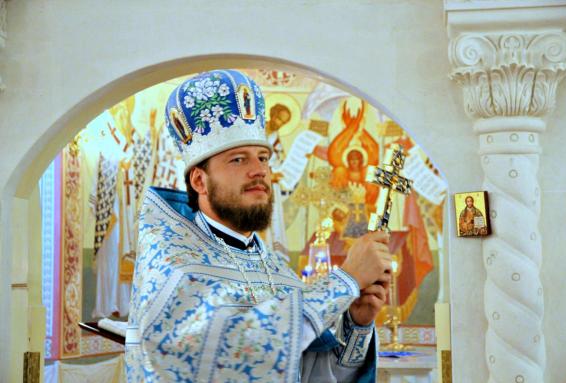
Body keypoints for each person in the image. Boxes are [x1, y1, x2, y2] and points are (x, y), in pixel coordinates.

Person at [125, 69, 392, 382]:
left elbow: (310, 374)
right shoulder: (171, 263)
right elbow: (232, 353)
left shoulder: (275, 269)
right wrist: (345, 281)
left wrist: (357, 323)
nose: (260, 171)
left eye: (263, 158)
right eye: (239, 159)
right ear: (200, 180)